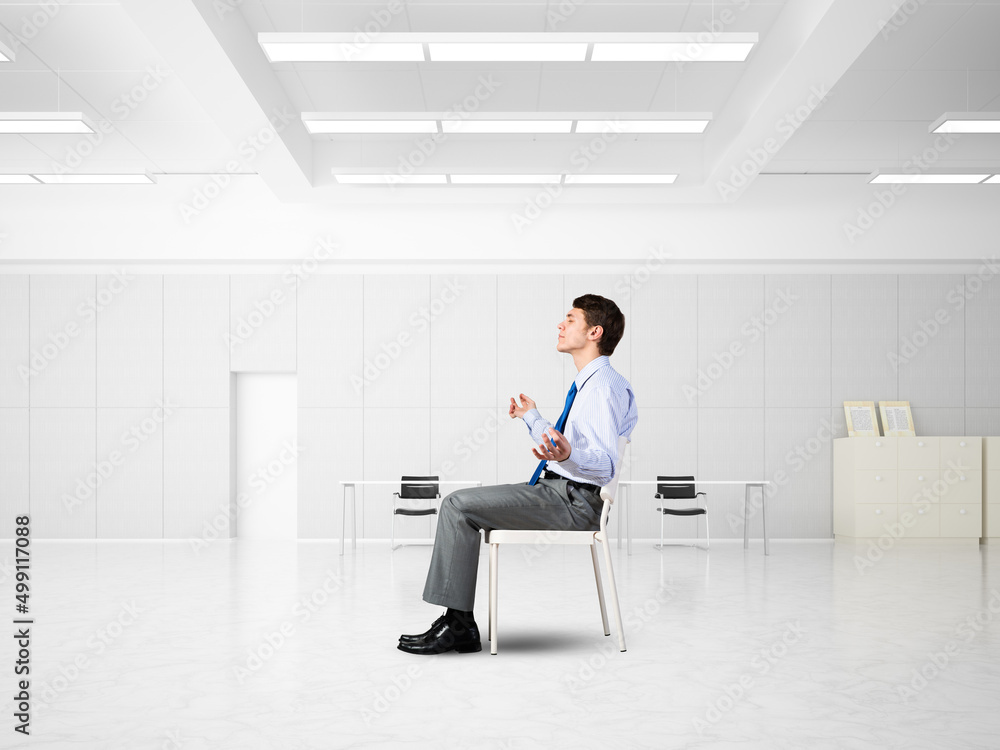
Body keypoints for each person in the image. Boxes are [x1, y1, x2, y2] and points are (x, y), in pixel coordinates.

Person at [397, 293, 637, 654]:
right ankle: (458, 622)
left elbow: (603, 466)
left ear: (594, 332)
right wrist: (532, 417)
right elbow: (563, 447)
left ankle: (459, 625)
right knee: (460, 506)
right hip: (563, 492)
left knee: (457, 506)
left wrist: (568, 455)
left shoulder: (600, 389)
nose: (561, 324)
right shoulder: (597, 384)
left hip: (574, 501)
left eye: (570, 319)